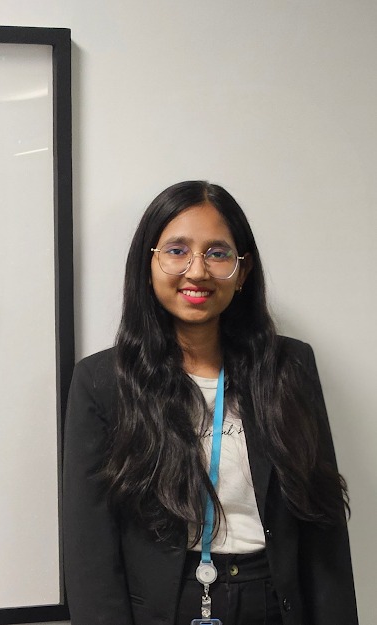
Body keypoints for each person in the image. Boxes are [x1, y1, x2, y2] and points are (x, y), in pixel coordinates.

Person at [62, 181, 358, 625]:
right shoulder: (103, 382)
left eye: (217, 253)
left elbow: (323, 527)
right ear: (148, 264)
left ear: (242, 271)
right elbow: (90, 549)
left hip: (274, 602)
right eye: (177, 251)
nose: (197, 270)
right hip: (165, 608)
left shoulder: (289, 367)